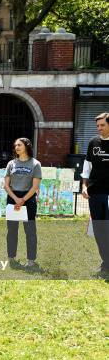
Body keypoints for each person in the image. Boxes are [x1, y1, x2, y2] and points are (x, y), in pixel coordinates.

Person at [4, 137, 42, 269]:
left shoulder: (35, 164)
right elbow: (6, 185)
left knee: (30, 231)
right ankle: (11, 257)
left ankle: (31, 260)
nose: (16, 148)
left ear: (27, 146)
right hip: (13, 198)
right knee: (12, 230)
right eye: (15, 146)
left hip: (28, 199)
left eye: (19, 145)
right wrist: (16, 199)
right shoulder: (11, 164)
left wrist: (23, 200)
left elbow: (35, 186)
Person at [81, 112, 109, 277]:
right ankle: (105, 263)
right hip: (95, 194)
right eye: (97, 125)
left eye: (102, 125)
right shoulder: (93, 142)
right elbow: (87, 168)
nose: (99, 128)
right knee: (99, 230)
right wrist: (84, 186)